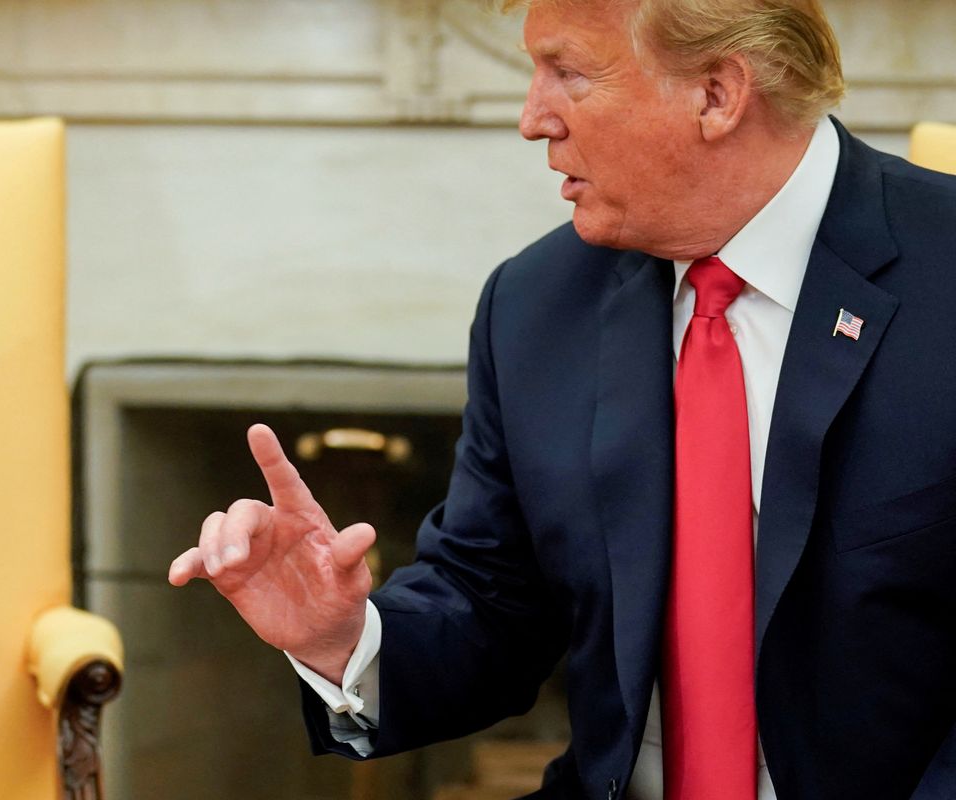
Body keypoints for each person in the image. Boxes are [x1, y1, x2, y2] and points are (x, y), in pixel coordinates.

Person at [170, 1, 956, 798]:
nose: (531, 119)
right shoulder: (535, 305)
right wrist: (343, 640)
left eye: (568, 73)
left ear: (717, 94)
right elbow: (490, 606)